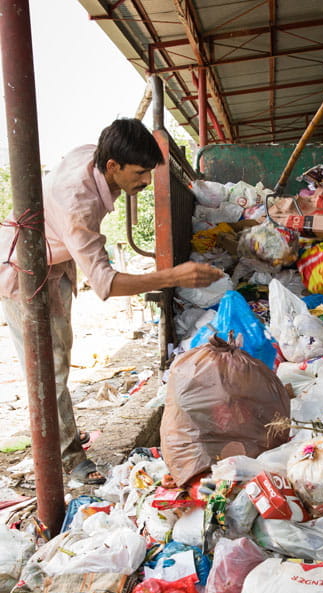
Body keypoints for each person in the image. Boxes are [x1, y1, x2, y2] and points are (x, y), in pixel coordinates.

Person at [0, 118, 222, 484]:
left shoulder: (93, 156)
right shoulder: (79, 205)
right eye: (140, 173)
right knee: (46, 371)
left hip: (54, 262)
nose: (146, 182)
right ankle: (69, 460)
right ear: (112, 166)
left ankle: (60, 432)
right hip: (23, 270)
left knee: (58, 359)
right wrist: (174, 276)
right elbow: (105, 285)